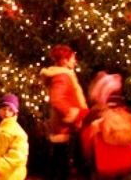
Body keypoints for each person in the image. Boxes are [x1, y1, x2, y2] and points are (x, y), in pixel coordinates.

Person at [40, 44, 87, 179]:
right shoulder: (62, 77)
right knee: (60, 163)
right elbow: (57, 100)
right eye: (72, 58)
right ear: (64, 60)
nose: (75, 61)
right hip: (62, 126)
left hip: (63, 126)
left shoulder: (64, 75)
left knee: (59, 160)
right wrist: (72, 114)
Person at [81, 73, 131, 179]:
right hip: (125, 164)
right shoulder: (125, 113)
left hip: (104, 166)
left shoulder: (94, 115)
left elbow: (86, 147)